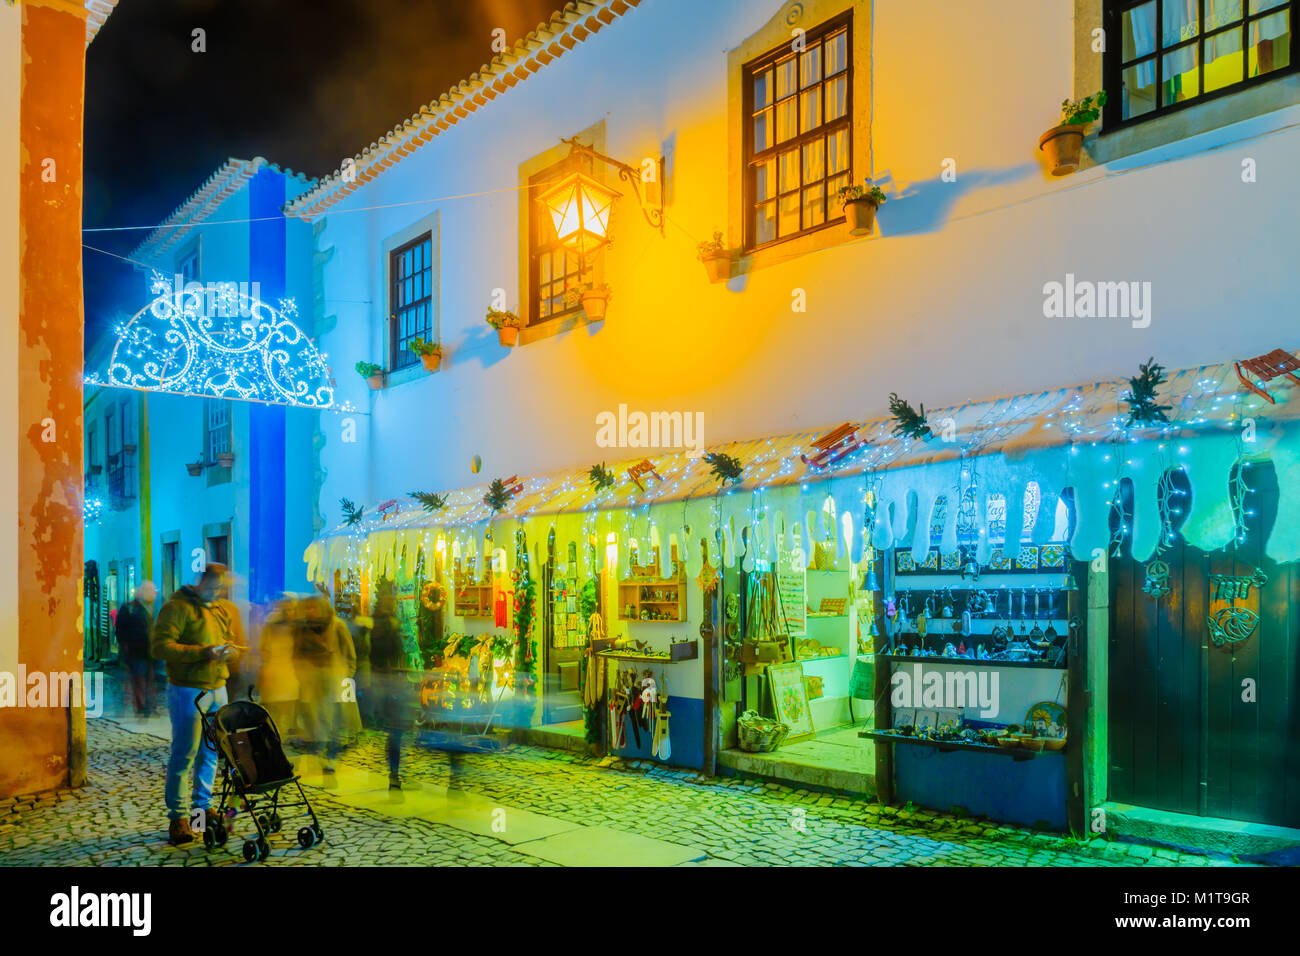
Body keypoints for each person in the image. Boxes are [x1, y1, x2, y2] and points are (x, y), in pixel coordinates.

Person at [150, 563, 245, 846]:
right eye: (214, 587)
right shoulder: (177, 607)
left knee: (211, 752)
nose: (218, 592)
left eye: (222, 588)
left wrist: (230, 651)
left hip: (218, 688)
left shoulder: (222, 608)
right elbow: (160, 647)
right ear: (202, 582)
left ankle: (201, 811)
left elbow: (230, 641)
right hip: (187, 690)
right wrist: (204, 652)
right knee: (184, 753)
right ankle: (177, 817)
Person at [293, 593, 356, 775]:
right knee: (316, 721)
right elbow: (296, 654)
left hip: (335, 679)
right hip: (312, 683)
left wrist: (346, 677)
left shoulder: (337, 625)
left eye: (314, 607)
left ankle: (331, 757)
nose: (311, 611)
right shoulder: (303, 629)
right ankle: (321, 752)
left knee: (336, 720)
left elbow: (350, 655)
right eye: (308, 608)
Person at [369, 592, 414, 789]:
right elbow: (397, 652)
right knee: (395, 731)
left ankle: (394, 771)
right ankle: (394, 772)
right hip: (389, 680)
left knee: (393, 731)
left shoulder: (371, 626)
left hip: (379, 679)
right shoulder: (390, 625)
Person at [258, 594, 301, 742]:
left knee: (286, 718)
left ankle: (279, 748)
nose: (287, 612)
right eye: (285, 608)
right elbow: (264, 651)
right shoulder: (271, 626)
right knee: (272, 719)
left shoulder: (297, 628)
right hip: (275, 678)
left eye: (290, 608)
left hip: (290, 679)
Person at [116, 581, 157, 717]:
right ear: (142, 592)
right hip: (135, 650)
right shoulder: (129, 608)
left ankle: (149, 706)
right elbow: (120, 631)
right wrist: (125, 649)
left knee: (150, 679)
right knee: (139, 679)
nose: (153, 593)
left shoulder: (154, 608)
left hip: (150, 651)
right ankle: (142, 707)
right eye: (149, 591)